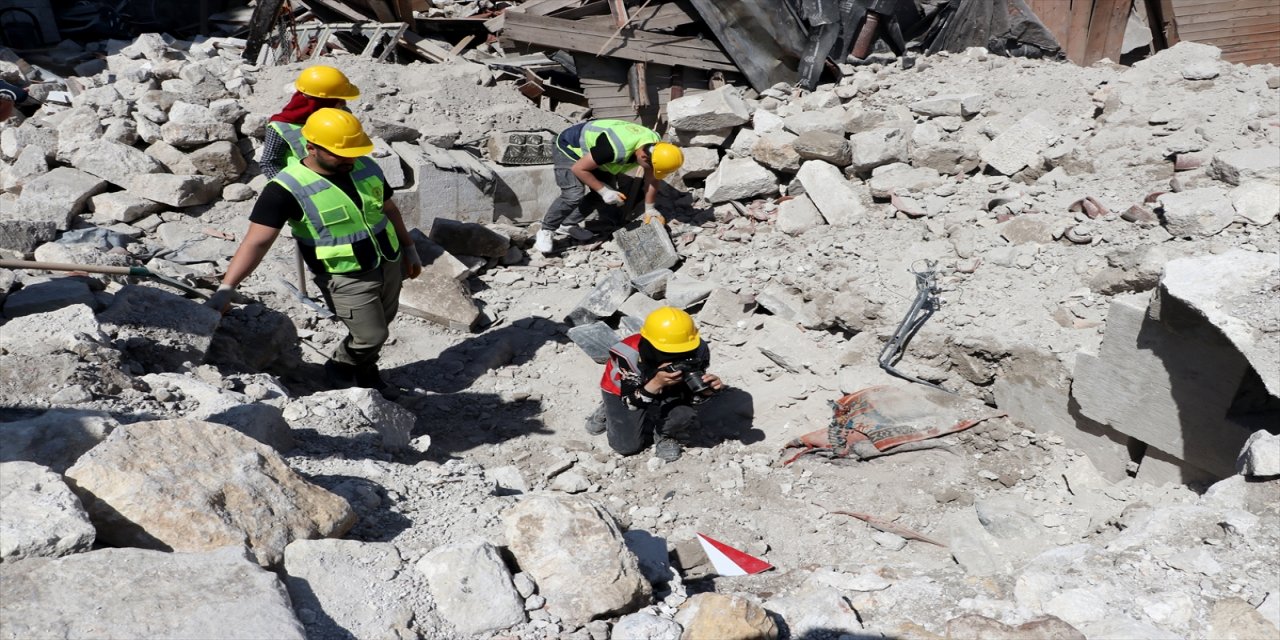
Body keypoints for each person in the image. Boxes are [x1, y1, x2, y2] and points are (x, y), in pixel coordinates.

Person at [207, 109, 423, 399]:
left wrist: (409, 248)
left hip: (388, 260)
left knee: (382, 323)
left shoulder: (366, 167)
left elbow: (389, 209)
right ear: (311, 147)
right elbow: (256, 242)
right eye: (339, 154)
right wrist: (227, 288)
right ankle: (340, 369)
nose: (349, 160)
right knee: (371, 334)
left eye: (352, 153)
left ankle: (366, 371)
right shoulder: (286, 188)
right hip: (344, 275)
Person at [586, 306, 724, 462]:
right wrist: (657, 382)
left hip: (671, 386)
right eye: (667, 351)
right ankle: (608, 408)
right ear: (649, 343)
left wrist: (707, 391)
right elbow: (630, 402)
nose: (676, 357)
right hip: (624, 390)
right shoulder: (628, 353)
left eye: (682, 351)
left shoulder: (698, 348)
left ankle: (665, 435)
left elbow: (693, 395)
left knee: (683, 414)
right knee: (626, 447)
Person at [534, 119, 685, 254]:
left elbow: (651, 180)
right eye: (650, 167)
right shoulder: (615, 148)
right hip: (570, 147)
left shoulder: (656, 149)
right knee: (574, 193)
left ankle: (568, 224)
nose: (650, 170)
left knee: (605, 193)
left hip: (596, 154)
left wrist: (650, 209)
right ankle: (546, 229)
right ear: (643, 157)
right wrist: (604, 191)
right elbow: (578, 168)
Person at [260, 65, 360, 179]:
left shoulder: (343, 116)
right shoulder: (280, 127)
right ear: (322, 102)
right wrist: (287, 186)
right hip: (306, 182)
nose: (344, 103)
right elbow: (269, 163)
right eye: (339, 100)